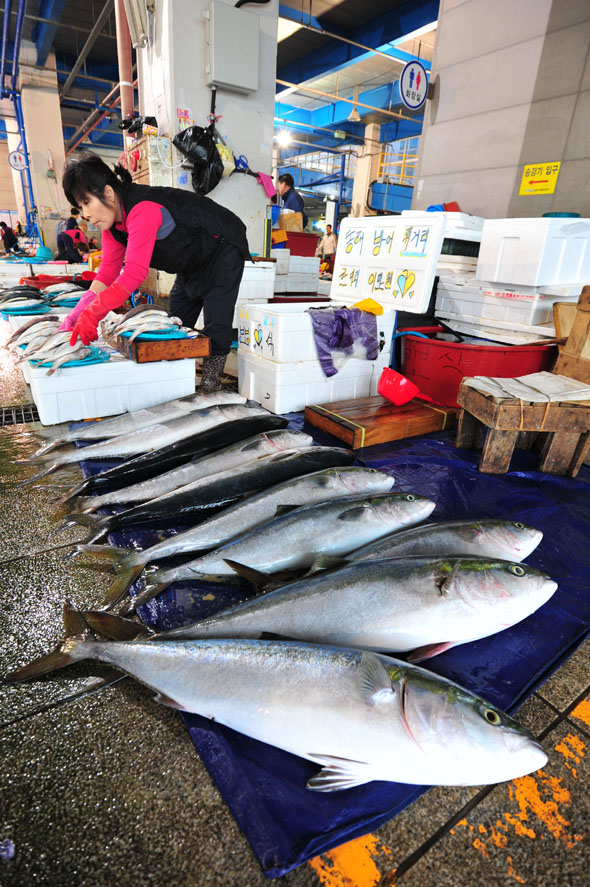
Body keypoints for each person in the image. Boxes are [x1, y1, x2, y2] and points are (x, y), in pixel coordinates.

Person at [60, 152, 250, 391]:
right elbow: (107, 273)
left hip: (222, 248)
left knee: (217, 321)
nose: (85, 214)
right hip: (191, 262)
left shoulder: (142, 209)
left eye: (86, 203)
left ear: (107, 193)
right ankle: (176, 377)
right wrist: (77, 314)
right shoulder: (112, 225)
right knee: (175, 321)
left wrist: (95, 313)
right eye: (80, 206)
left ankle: (211, 383)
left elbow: (133, 275)